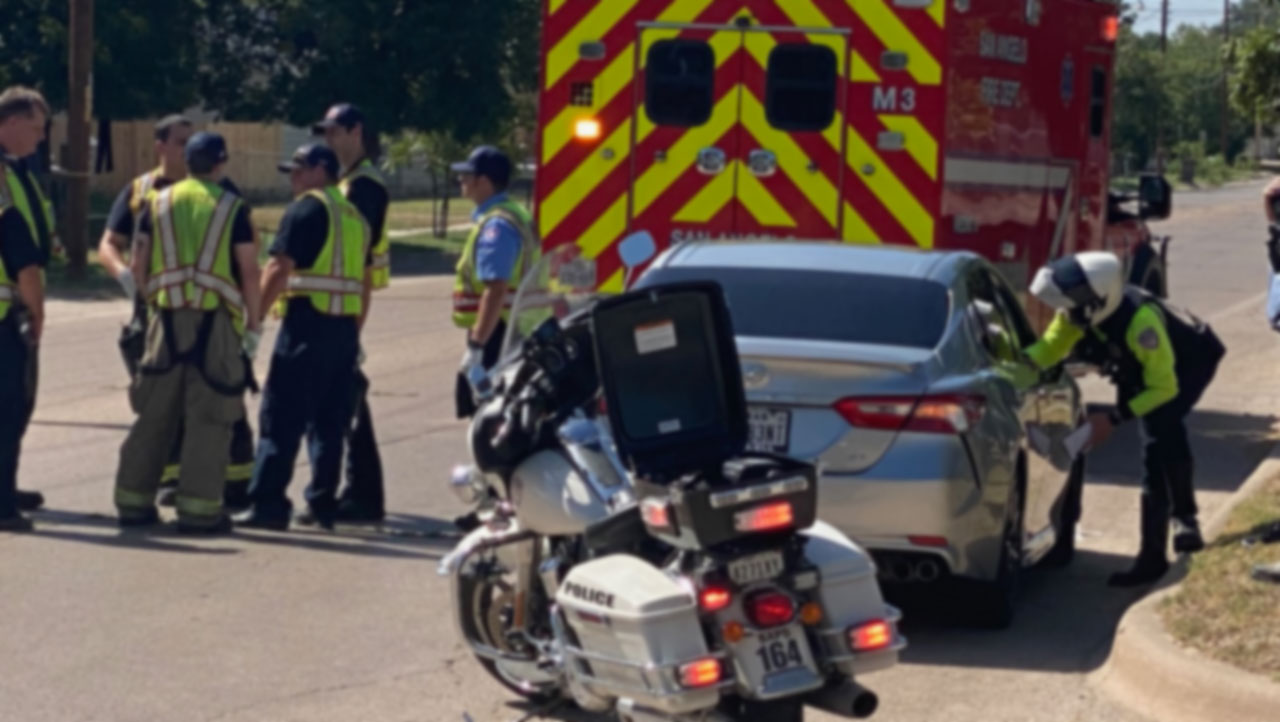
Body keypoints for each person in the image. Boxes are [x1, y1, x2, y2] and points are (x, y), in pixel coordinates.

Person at [1024, 251, 1225, 587]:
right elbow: (1047, 352)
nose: (1064, 312)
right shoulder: (1077, 314)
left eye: (1071, 304)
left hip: (1189, 362)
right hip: (1140, 370)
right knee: (1159, 433)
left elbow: (1164, 387)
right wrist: (1006, 367)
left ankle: (1162, 547)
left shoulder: (1140, 323)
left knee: (1159, 435)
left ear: (1097, 301)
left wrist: (1114, 418)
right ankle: (1180, 522)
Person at [97, 115, 258, 511]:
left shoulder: (155, 201)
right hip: (215, 322)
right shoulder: (229, 204)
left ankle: (133, 503)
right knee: (211, 411)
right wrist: (254, 325)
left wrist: (146, 298)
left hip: (163, 320)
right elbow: (249, 269)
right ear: (219, 164)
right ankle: (199, 508)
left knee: (155, 411)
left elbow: (139, 261)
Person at [236, 144, 371, 531]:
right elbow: (363, 282)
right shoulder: (355, 217)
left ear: (321, 170)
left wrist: (254, 322)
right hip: (343, 330)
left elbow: (278, 268)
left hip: (307, 326)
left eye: (299, 170)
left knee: (281, 416)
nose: (292, 178)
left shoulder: (305, 209)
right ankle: (322, 504)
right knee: (330, 422)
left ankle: (268, 504)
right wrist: (355, 333)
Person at [312, 103, 388, 523]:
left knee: (349, 404)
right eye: (324, 132)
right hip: (341, 307)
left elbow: (359, 259)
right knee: (346, 402)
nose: (328, 139)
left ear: (356, 132)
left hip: (347, 308)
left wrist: (353, 329)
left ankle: (363, 495)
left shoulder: (364, 187)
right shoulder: (347, 182)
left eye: (334, 131)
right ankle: (360, 491)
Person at [451, 146, 539, 418]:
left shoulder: (496, 226)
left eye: (467, 176)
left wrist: (477, 347)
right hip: (514, 327)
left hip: (498, 333)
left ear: (484, 182)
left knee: (491, 414)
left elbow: (496, 289)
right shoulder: (515, 213)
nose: (461, 181)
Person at [0, 86, 50, 531]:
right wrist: (37, 314)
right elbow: (23, 263)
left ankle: (6, 486)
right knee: (8, 406)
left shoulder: (16, 169)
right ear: (11, 123)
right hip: (6, 314)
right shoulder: (2, 180)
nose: (40, 137)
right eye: (35, 128)